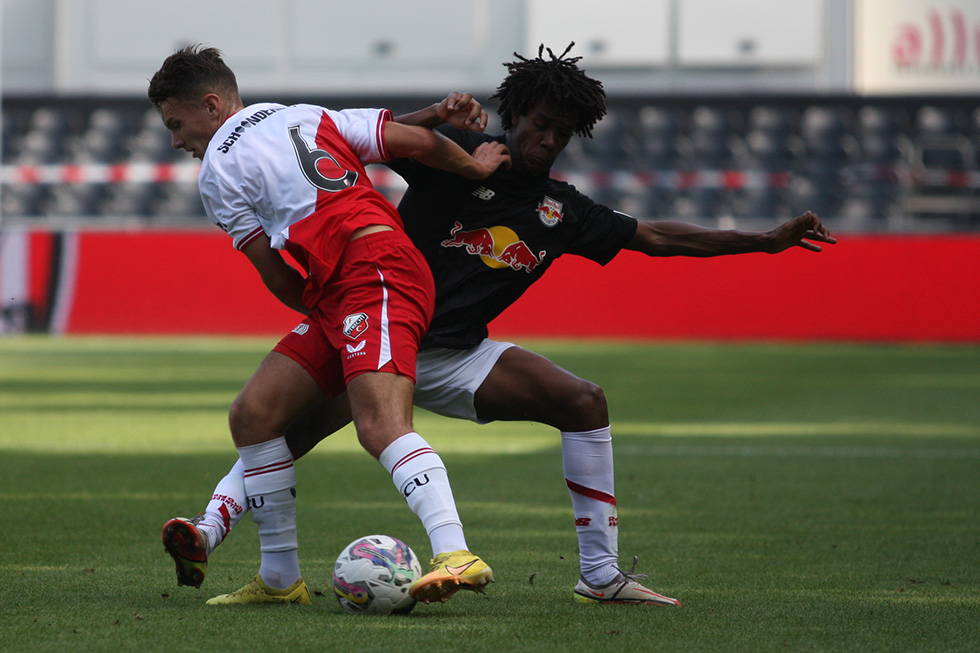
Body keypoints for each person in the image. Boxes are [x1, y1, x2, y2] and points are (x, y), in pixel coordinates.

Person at [163, 44, 835, 607]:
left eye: (560, 133)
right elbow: (370, 137)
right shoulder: (461, 152)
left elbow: (657, 236)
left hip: (448, 349)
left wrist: (766, 239)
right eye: (540, 124)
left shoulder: (560, 209)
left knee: (583, 400)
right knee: (273, 424)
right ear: (515, 117)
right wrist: (439, 116)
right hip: (378, 310)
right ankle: (219, 537)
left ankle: (599, 576)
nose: (547, 139)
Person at [149, 44, 511, 606]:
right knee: (255, 415)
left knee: (379, 426)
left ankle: (456, 551)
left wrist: (328, 305)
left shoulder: (218, 168)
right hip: (355, 281)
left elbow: (275, 275)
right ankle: (278, 580)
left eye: (176, 123)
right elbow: (411, 141)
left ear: (212, 106)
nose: (176, 140)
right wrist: (473, 162)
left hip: (374, 274)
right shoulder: (308, 115)